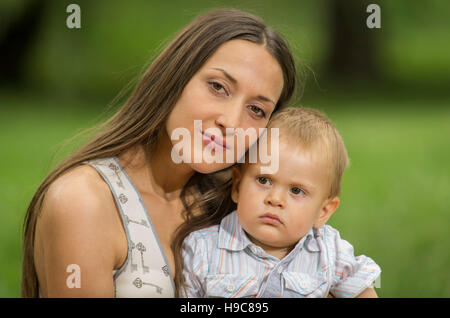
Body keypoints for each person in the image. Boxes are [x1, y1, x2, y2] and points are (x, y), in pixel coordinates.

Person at [21, 9, 297, 297]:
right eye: (218, 87)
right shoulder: (83, 201)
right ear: (176, 77)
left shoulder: (239, 209)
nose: (230, 122)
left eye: (256, 110)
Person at [178, 107, 381, 298]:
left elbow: (364, 289)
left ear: (323, 211)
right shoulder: (202, 249)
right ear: (237, 186)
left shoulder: (331, 252)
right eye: (264, 180)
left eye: (296, 190)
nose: (275, 199)